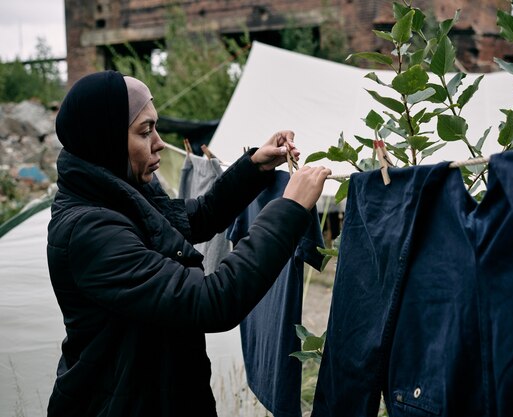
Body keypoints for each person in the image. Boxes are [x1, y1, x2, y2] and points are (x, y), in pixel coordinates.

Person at [46, 70, 331, 417]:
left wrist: (254, 167)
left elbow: (194, 218)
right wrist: (288, 210)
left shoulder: (122, 193)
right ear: (105, 139)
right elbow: (211, 301)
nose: (159, 143)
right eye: (144, 131)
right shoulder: (90, 230)